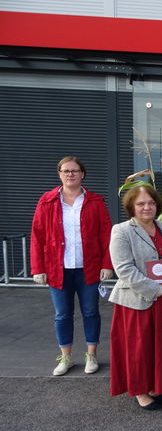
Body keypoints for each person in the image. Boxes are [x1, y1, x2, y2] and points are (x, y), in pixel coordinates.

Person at [108, 184, 162, 410]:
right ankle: (141, 391)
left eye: (151, 203)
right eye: (141, 204)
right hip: (139, 300)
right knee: (140, 348)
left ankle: (157, 386)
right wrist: (155, 289)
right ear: (131, 207)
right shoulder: (122, 231)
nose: (147, 207)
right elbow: (124, 269)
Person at [30, 156, 113, 376]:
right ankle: (66, 358)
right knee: (62, 314)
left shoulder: (95, 201)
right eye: (65, 171)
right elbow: (37, 236)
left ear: (82, 174)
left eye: (74, 171)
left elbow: (106, 236)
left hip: (89, 269)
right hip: (58, 269)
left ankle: (91, 355)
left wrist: (107, 264)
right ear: (59, 174)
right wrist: (38, 268)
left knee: (90, 312)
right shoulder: (47, 201)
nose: (70, 174)